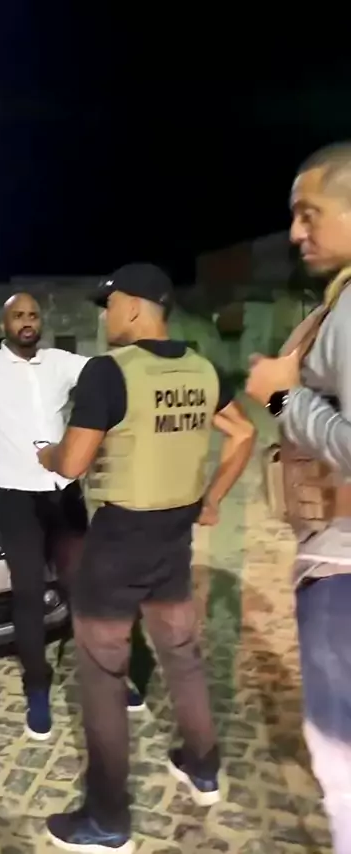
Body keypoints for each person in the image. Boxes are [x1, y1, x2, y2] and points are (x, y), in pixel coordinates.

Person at [37, 262, 256, 853]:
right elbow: (243, 434)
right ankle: (203, 767)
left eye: (109, 305)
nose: (106, 316)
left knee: (103, 672)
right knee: (181, 653)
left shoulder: (110, 372)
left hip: (119, 541)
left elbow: (73, 463)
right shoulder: (202, 369)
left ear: (133, 306)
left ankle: (107, 819)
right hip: (173, 537)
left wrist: (47, 454)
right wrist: (213, 498)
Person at [0, 267, 146, 741]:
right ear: (4, 324)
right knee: (27, 593)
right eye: (18, 315)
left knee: (83, 590)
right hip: (13, 496)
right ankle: (37, 689)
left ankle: (110, 675)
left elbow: (109, 374)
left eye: (33, 315)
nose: (26, 321)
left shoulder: (60, 362)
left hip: (63, 493)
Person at [246, 142, 351, 854]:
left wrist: (282, 396)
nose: (294, 232)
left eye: (309, 213)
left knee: (341, 764)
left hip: (343, 569)